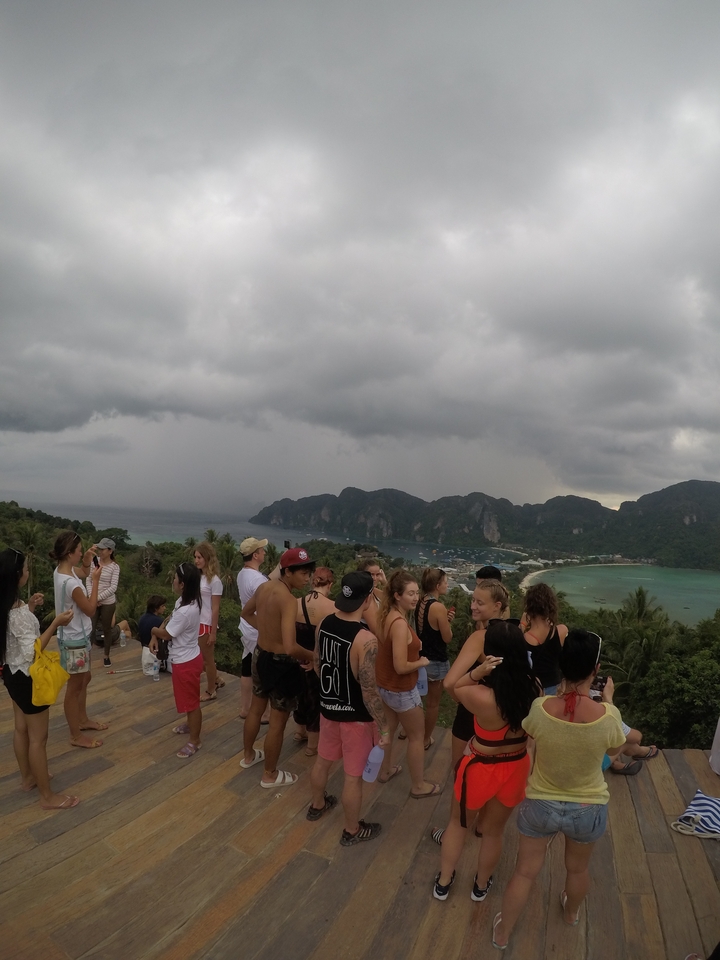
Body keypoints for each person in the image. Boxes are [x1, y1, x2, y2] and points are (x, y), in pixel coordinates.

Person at [492, 629, 626, 950]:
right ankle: (570, 913)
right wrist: (608, 701)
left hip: (541, 803)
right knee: (577, 869)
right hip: (587, 806)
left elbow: (532, 737)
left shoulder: (540, 708)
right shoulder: (608, 717)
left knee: (525, 872)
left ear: (563, 666)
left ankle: (502, 933)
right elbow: (614, 753)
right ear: (595, 671)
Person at [433, 621, 539, 902]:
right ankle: (480, 885)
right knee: (493, 833)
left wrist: (476, 673)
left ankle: (444, 881)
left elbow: (454, 687)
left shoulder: (481, 696)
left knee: (458, 825)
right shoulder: (535, 688)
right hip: (516, 766)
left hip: (480, 768)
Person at [308, 571, 391, 845]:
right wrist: (384, 726)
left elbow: (318, 664)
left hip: (329, 708)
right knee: (353, 777)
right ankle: (352, 830)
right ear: (367, 600)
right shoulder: (365, 640)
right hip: (355, 718)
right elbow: (369, 691)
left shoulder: (324, 623)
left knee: (323, 761)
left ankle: (317, 804)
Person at [430, 578, 510, 845]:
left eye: (479, 602)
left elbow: (450, 682)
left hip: (473, 713)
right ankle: (482, 826)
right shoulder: (516, 633)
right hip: (503, 717)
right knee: (491, 773)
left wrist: (461, 699)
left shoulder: (481, 637)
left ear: (496, 606)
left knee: (462, 774)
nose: (472, 605)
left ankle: (456, 829)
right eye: (473, 600)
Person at [0, 548, 78, 809]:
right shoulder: (17, 613)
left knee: (21, 729)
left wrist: (30, 607)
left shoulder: (8, 604)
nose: (28, 571)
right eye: (25, 569)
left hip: (11, 674)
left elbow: (14, 636)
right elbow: (33, 652)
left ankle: (28, 778)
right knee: (38, 739)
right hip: (28, 678)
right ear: (17, 576)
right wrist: (55, 624)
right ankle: (48, 796)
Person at [240, 548, 316, 787]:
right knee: (278, 721)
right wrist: (314, 656)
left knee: (255, 708)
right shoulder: (288, 600)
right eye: (303, 573)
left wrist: (265, 630)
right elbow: (292, 648)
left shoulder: (264, 588)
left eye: (310, 573)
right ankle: (270, 774)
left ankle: (249, 756)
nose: (308, 578)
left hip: (260, 655)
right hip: (282, 663)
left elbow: (246, 612)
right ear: (288, 572)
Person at [375, 570, 439, 798]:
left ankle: (385, 771)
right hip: (401, 689)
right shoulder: (400, 624)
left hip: (385, 686)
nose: (415, 597)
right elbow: (401, 666)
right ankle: (418, 785)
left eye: (417, 593)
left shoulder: (386, 613)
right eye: (410, 593)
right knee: (416, 736)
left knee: (389, 730)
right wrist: (421, 661)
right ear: (397, 595)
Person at [52, 531, 107, 748]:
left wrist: (86, 564)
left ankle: (82, 720)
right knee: (74, 688)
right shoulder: (72, 585)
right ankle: (75, 735)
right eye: (80, 550)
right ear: (69, 553)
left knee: (85, 678)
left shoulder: (61, 571)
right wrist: (95, 581)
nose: (83, 552)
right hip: (74, 641)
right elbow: (91, 609)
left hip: (76, 637)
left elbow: (82, 571)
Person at [149, 562, 203, 759]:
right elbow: (170, 619)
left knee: (192, 703)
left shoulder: (186, 611)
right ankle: (190, 725)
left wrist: (154, 631)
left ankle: (195, 740)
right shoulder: (186, 602)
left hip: (186, 662)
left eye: (175, 578)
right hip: (188, 658)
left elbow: (167, 633)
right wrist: (156, 635)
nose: (172, 580)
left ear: (182, 584)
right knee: (188, 700)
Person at [293, 567, 336, 756]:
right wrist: (317, 660)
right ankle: (312, 746)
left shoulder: (295, 603)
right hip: (317, 661)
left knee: (300, 696)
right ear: (330, 584)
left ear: (312, 582)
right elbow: (331, 641)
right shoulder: (332, 608)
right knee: (315, 701)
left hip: (297, 658)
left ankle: (299, 732)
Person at [416, 568, 455, 749]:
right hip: (436, 661)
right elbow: (447, 637)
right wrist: (448, 623)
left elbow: (427, 628)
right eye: (445, 582)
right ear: (437, 586)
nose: (447, 584)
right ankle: (425, 739)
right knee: (432, 704)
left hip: (421, 658)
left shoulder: (420, 602)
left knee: (416, 699)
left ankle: (406, 731)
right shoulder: (438, 607)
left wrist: (444, 620)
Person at [237, 537, 269, 719]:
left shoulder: (243, 574)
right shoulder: (257, 580)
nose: (264, 552)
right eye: (262, 550)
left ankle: (245, 708)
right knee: (262, 670)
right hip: (258, 628)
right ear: (256, 555)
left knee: (247, 666)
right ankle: (263, 713)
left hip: (247, 626)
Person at [521, 582, 568, 695]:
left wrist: (522, 624)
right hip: (554, 688)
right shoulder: (561, 631)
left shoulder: (522, 638)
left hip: (532, 690)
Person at [194, 542, 224, 702]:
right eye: (195, 557)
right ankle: (216, 679)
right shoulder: (199, 577)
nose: (196, 560)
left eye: (199, 557)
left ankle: (211, 690)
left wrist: (213, 632)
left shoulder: (215, 581)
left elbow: (215, 608)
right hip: (196, 622)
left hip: (206, 623)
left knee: (207, 659)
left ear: (207, 558)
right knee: (200, 658)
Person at [87, 538, 121, 667]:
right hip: (94, 601)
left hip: (107, 602)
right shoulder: (94, 562)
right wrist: (92, 597)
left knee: (107, 629)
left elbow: (113, 587)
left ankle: (106, 655)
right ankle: (87, 655)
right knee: (90, 627)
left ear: (110, 551)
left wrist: (97, 598)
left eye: (103, 549)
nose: (100, 551)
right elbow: (89, 580)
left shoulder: (115, 567)